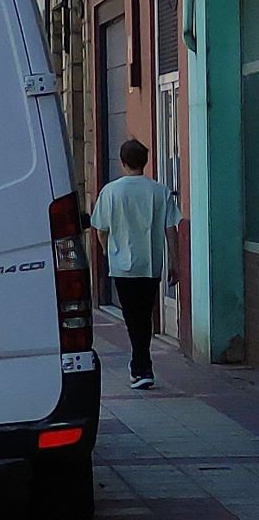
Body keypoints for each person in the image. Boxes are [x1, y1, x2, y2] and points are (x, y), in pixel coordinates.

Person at [91, 139, 180, 390]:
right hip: (150, 264)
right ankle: (142, 365)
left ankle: (141, 366)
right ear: (146, 161)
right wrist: (175, 261)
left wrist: (106, 250)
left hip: (122, 264)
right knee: (144, 315)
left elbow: (101, 229)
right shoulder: (159, 191)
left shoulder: (111, 191)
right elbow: (170, 228)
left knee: (132, 316)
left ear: (122, 162)